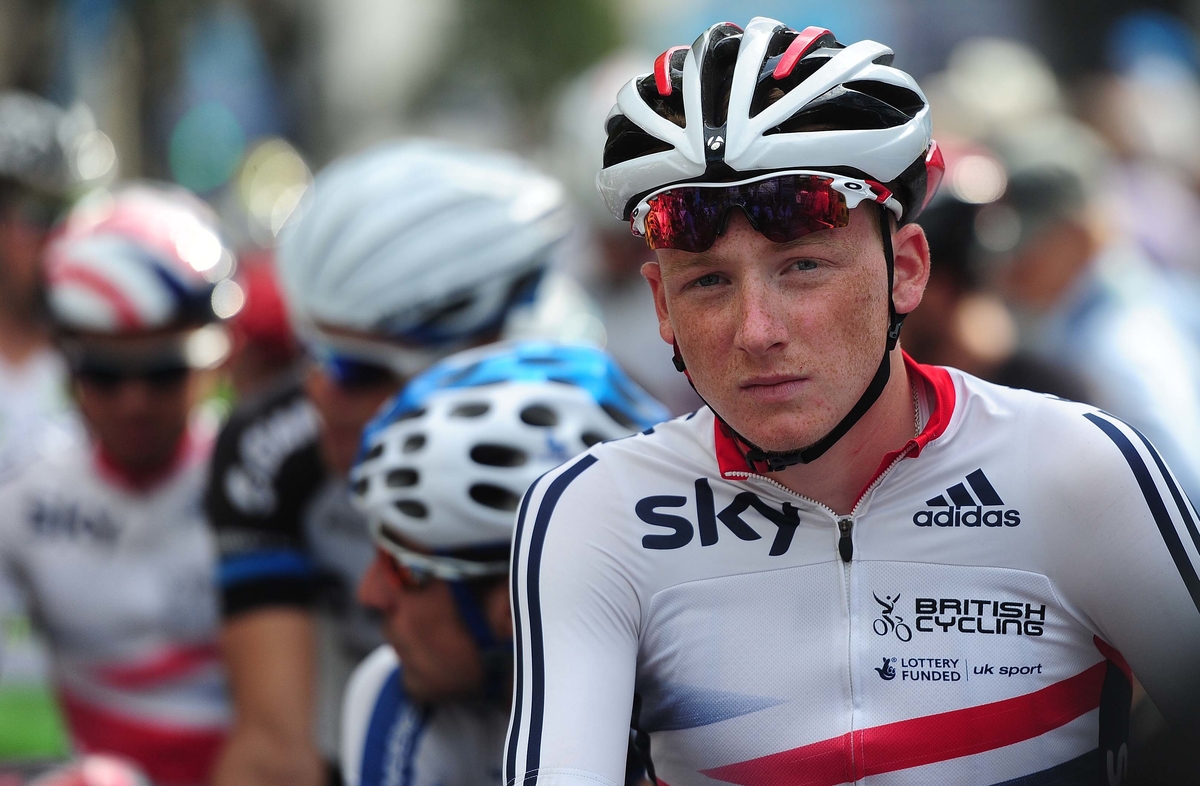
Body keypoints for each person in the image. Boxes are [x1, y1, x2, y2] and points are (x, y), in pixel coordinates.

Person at [505, 18, 1200, 785]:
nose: (756, 331)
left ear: (908, 269)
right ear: (662, 306)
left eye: (802, 266)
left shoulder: (1077, 470)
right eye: (707, 281)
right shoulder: (598, 516)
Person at [206, 140, 591, 786]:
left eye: (357, 370)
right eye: (312, 355)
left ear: (479, 355)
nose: (318, 391)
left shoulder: (584, 444)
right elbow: (274, 751)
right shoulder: (267, 448)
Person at [340, 341, 668, 786]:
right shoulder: (398, 693)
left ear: (526, 600)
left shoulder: (718, 725)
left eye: (403, 569)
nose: (370, 594)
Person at [0, 183, 234, 785]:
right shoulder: (23, 505)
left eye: (164, 372)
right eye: (103, 374)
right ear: (65, 362)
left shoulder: (258, 485)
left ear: (213, 360)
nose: (135, 403)